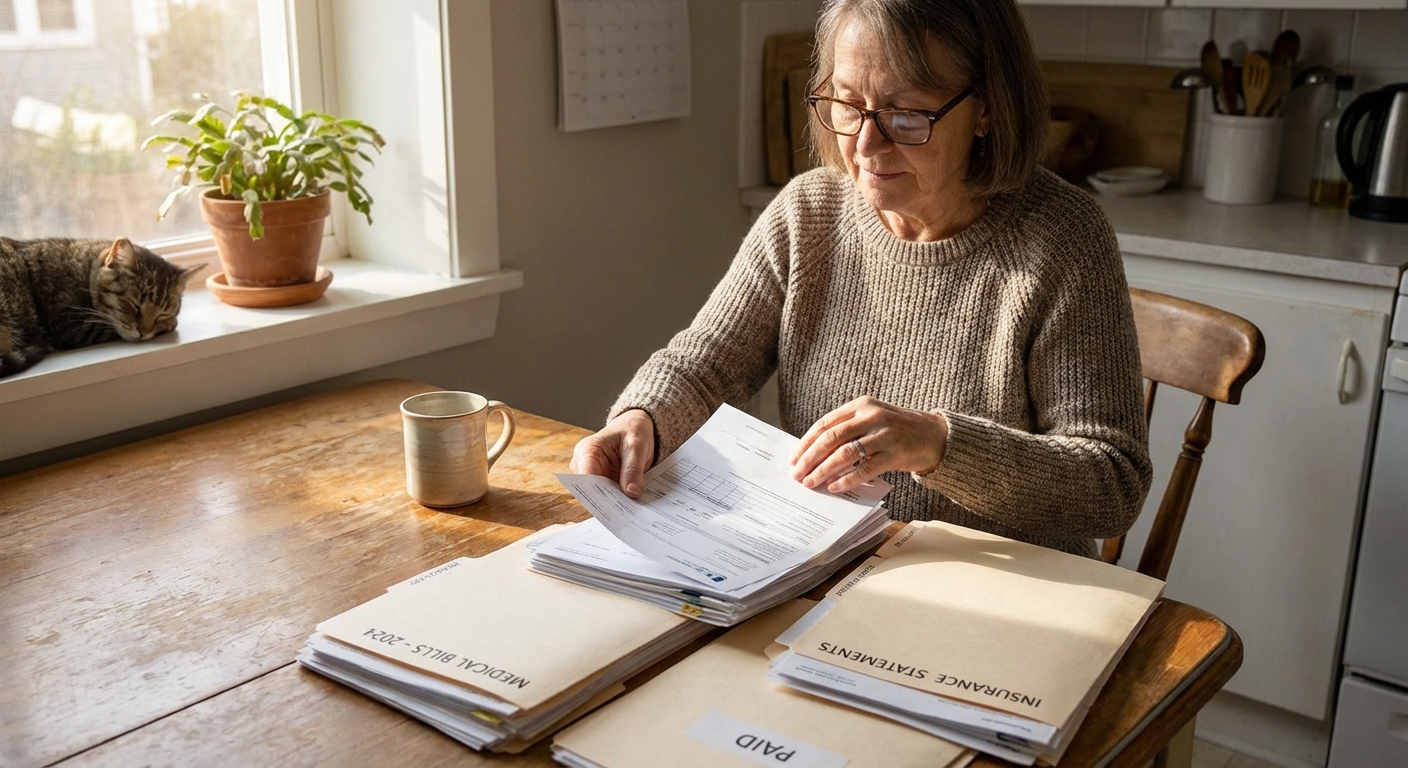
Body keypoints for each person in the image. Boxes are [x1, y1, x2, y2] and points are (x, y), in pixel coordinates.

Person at [570, 0, 1151, 557]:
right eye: (847, 105)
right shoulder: (809, 214)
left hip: (1005, 593)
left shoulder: (1064, 239)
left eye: (905, 114)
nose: (866, 145)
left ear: (987, 110)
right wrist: (638, 420)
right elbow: (706, 364)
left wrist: (939, 444)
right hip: (833, 568)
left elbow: (1111, 484)